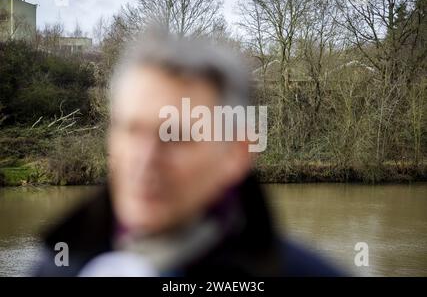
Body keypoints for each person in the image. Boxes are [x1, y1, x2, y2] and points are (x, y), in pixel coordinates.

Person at [35, 31, 341, 277]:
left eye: (175, 136)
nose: (143, 160)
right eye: (130, 129)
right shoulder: (56, 267)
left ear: (236, 153)